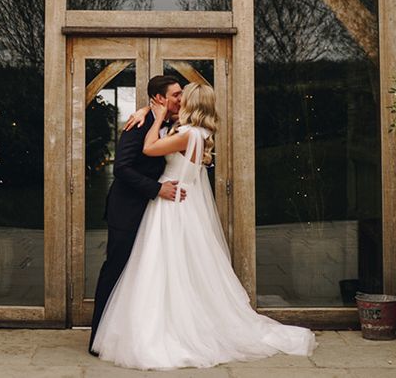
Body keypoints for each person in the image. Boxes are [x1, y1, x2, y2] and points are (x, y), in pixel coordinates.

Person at [91, 82, 316, 370]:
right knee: (172, 270)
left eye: (183, 96)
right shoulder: (196, 132)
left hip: (171, 206)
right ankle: (168, 324)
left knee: (163, 269)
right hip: (173, 204)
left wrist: (156, 116)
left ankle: (168, 330)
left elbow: (149, 149)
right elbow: (129, 163)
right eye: (176, 94)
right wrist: (148, 110)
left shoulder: (188, 134)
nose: (179, 99)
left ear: (191, 104)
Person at [88, 75, 184, 354]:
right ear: (159, 98)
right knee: (115, 269)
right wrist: (157, 189)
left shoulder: (170, 122)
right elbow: (122, 169)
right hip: (127, 210)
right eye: (175, 94)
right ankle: (97, 338)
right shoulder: (138, 125)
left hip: (155, 214)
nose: (180, 99)